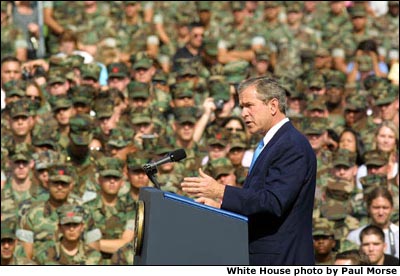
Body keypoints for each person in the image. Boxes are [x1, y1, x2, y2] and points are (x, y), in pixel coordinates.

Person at [181, 76, 317, 265]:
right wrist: (221, 207)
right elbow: (257, 201)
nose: (244, 113)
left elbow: (273, 202)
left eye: (249, 105)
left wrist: (220, 191)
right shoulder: (272, 143)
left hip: (281, 260)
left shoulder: (291, 145)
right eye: (241, 107)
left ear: (273, 105)